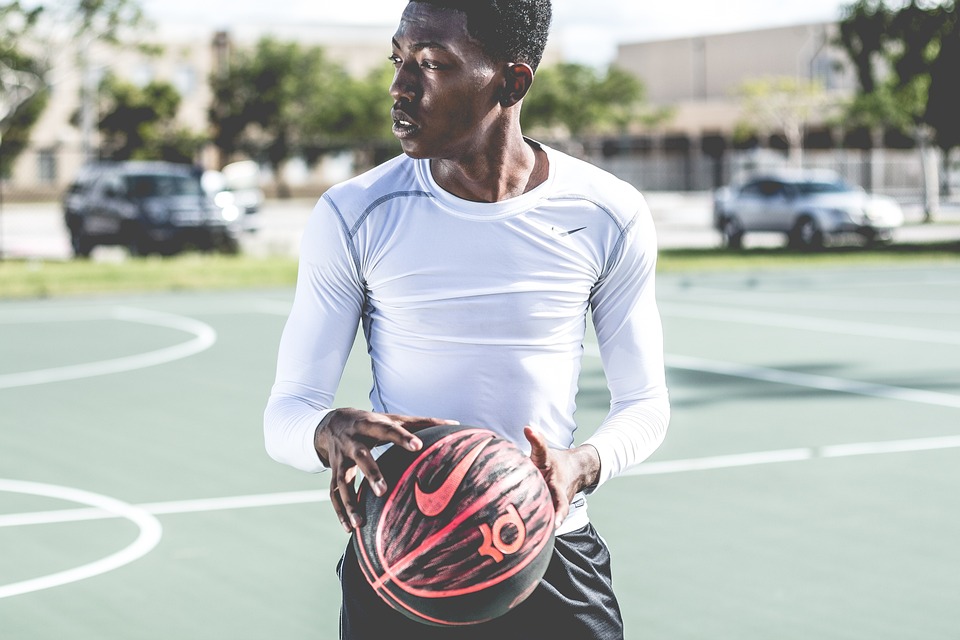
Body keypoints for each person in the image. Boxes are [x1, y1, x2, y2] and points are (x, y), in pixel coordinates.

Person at [263, 1, 670, 637]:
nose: (400, 87)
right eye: (398, 60)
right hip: (405, 562)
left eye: (430, 64)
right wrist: (328, 431)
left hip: (550, 553)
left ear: (512, 82)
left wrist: (580, 463)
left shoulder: (606, 212)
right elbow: (285, 413)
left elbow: (646, 406)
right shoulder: (355, 212)